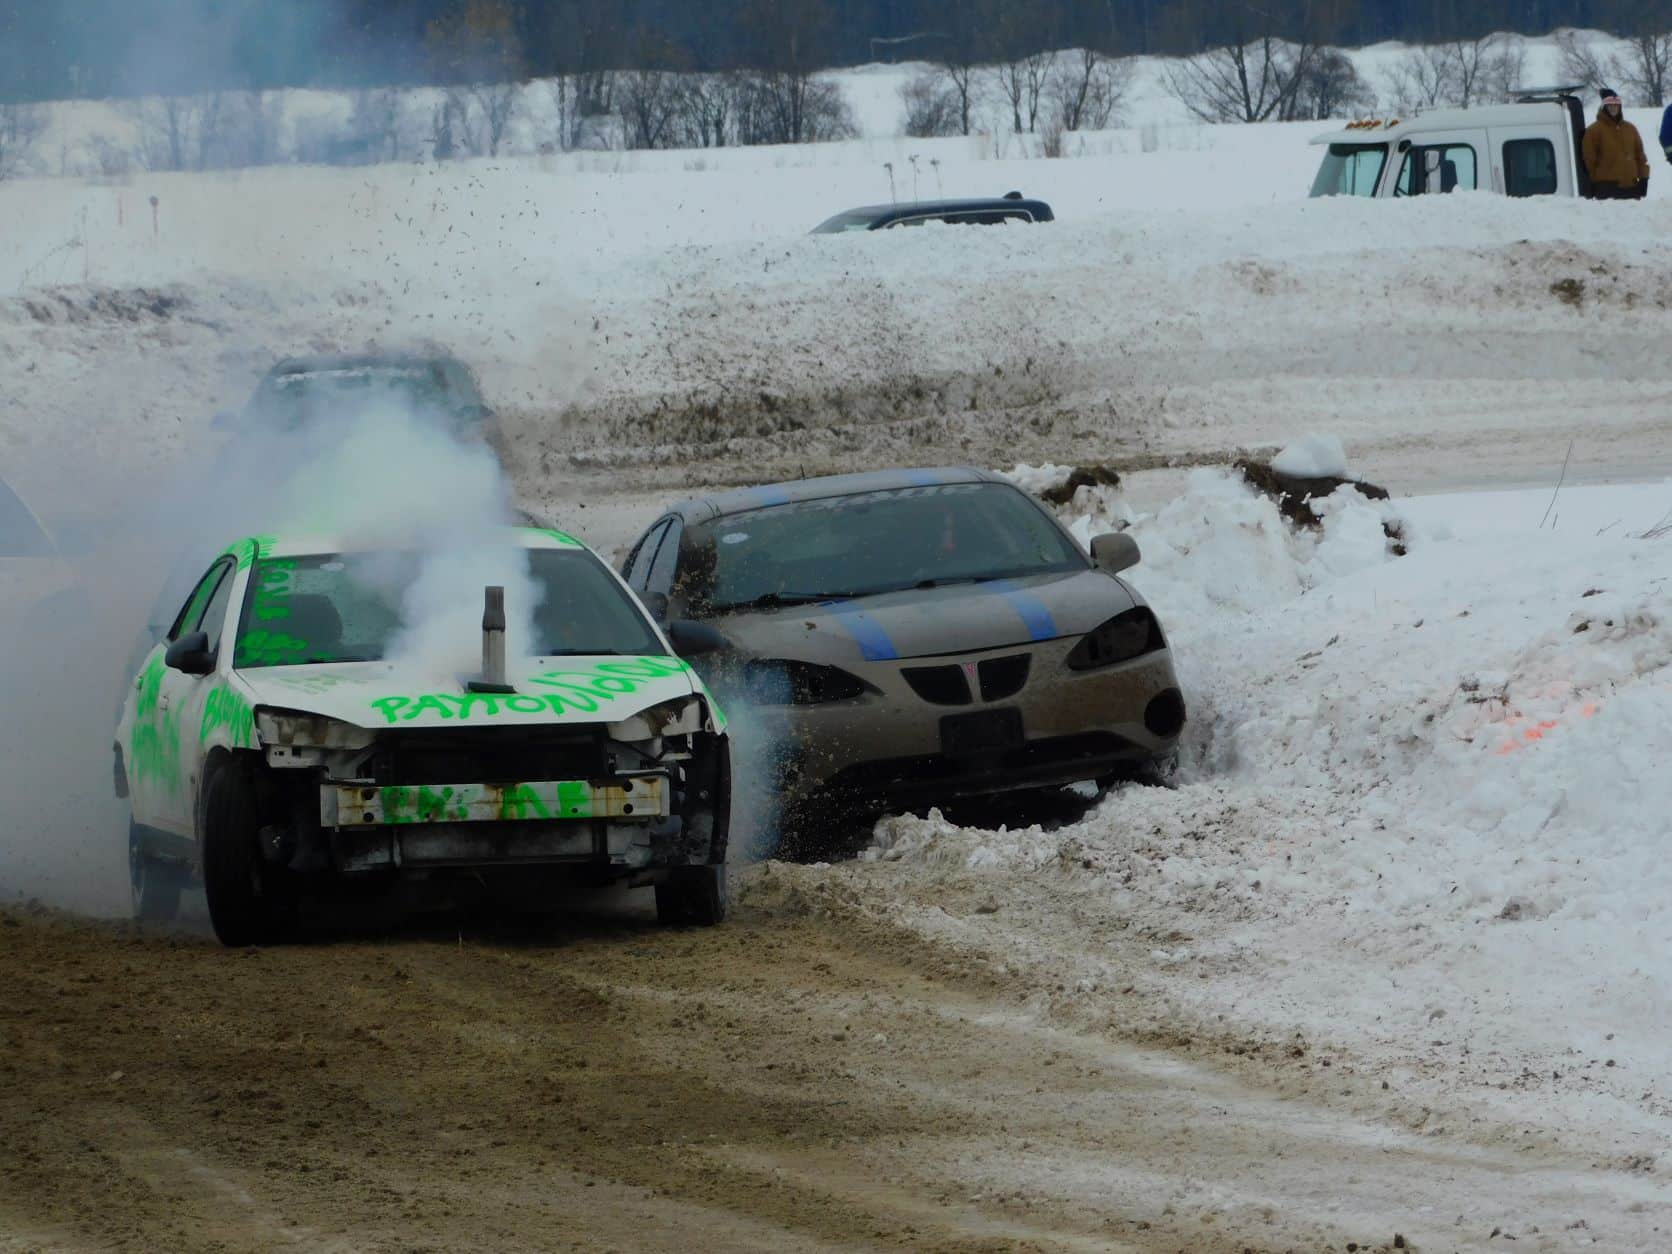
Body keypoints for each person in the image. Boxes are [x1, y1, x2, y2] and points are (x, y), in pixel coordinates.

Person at [1583, 87, 1649, 200]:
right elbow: (1589, 160)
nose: (1613, 108)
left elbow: (1640, 157)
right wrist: (1594, 184)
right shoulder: (1594, 131)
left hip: (1631, 188)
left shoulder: (1630, 129)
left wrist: (1643, 178)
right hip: (1606, 190)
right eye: (1610, 105)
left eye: (1616, 105)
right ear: (1604, 107)